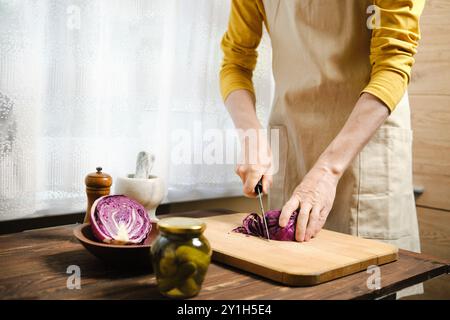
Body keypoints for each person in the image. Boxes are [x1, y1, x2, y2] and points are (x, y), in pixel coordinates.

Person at [219, 0, 425, 256]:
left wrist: (329, 168)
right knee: (291, 272)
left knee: (368, 279)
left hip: (366, 144)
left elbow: (393, 63)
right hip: (295, 141)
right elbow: (236, 63)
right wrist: (251, 137)